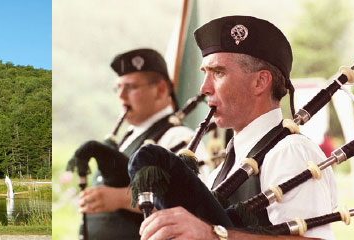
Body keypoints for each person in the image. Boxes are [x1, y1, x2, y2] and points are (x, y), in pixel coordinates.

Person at [138, 16, 337, 239]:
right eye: (205, 73)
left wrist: (213, 235)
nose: (204, 88)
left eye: (218, 73)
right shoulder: (221, 171)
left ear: (260, 82)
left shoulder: (289, 152)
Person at [78, 48, 205, 240]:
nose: (121, 96)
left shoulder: (180, 138)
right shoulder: (128, 137)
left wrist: (118, 198)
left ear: (161, 89)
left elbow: (193, 200)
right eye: (118, 87)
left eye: (130, 87)